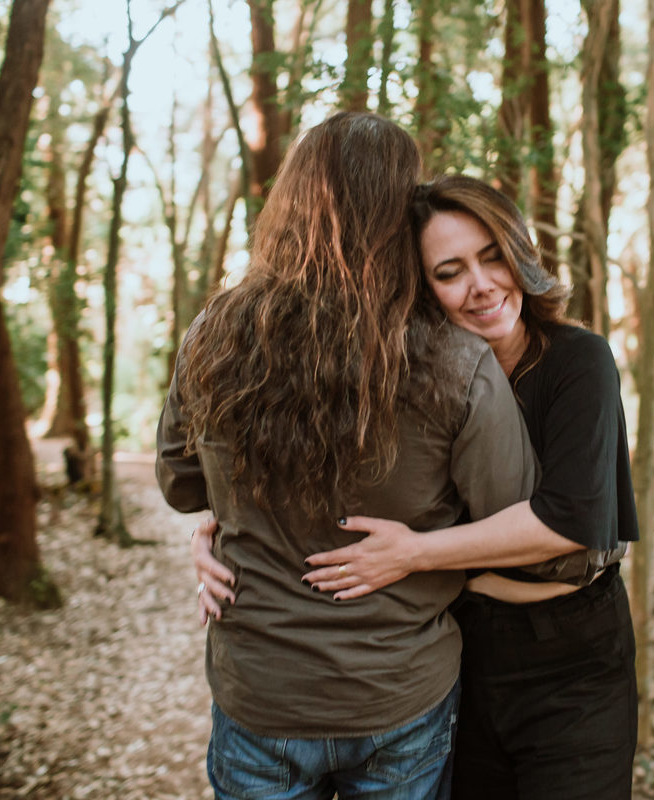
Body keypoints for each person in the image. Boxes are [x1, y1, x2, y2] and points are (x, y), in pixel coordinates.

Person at [194, 175, 640, 800]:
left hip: (570, 655)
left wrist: (414, 553)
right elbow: (314, 484)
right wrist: (217, 533)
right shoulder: (414, 376)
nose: (481, 284)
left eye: (492, 257)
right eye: (450, 271)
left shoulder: (578, 360)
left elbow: (570, 522)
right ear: (421, 287)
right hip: (462, 648)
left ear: (520, 253)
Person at [158, 115, 549, 800]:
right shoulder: (458, 363)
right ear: (401, 217)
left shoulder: (212, 335)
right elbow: (513, 520)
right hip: (398, 693)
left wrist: (224, 520)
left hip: (262, 691)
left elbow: (179, 480)